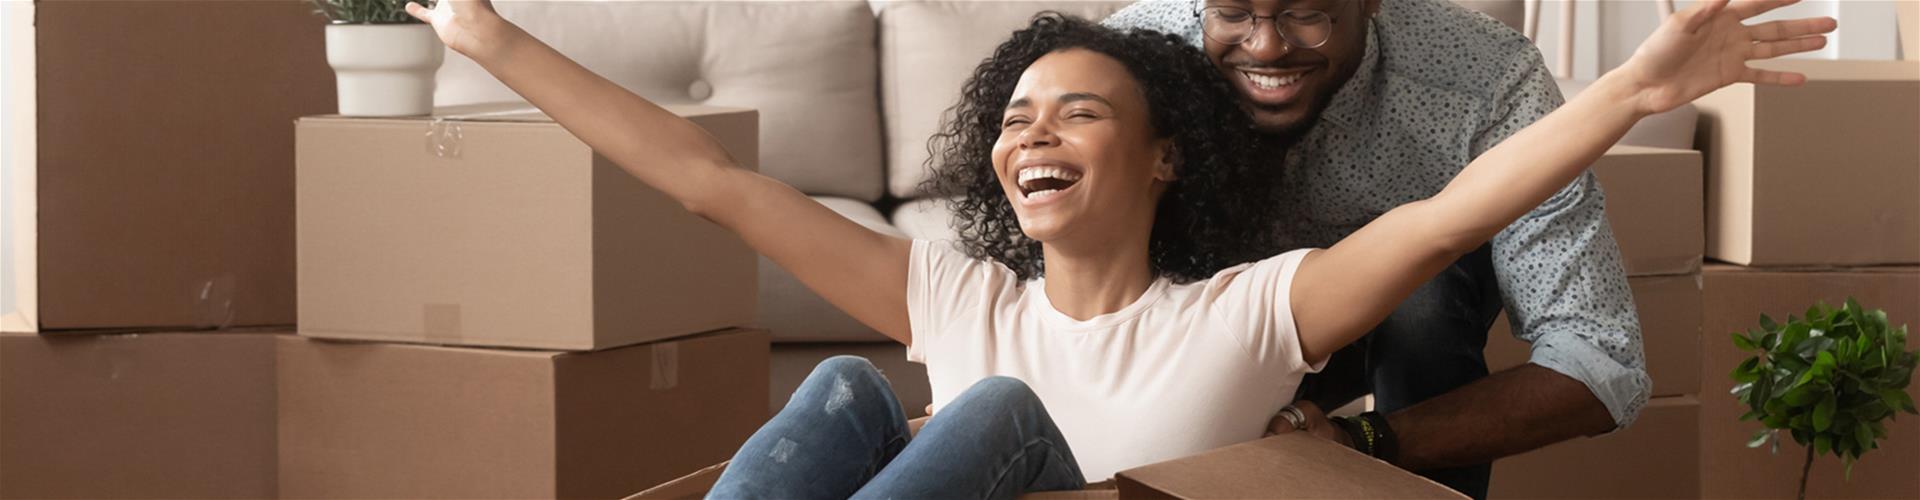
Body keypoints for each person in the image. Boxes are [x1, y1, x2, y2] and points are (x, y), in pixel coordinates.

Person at [402, 0, 1833, 498]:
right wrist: (488, 38)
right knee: (847, 395)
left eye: (1079, 111)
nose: (1034, 134)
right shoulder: (949, 293)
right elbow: (708, 182)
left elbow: (1450, 216)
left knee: (1000, 414)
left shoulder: (1245, 318)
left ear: (1164, 156)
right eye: (1015, 117)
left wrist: (1634, 94)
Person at [1097, 0, 1757, 495]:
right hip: (1190, 322)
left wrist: (1368, 440)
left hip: (1401, 330)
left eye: (1307, 12)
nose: (1267, 46)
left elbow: (1600, 364)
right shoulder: (1124, 63)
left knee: (1424, 291)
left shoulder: (1484, 76)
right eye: (1235, 11)